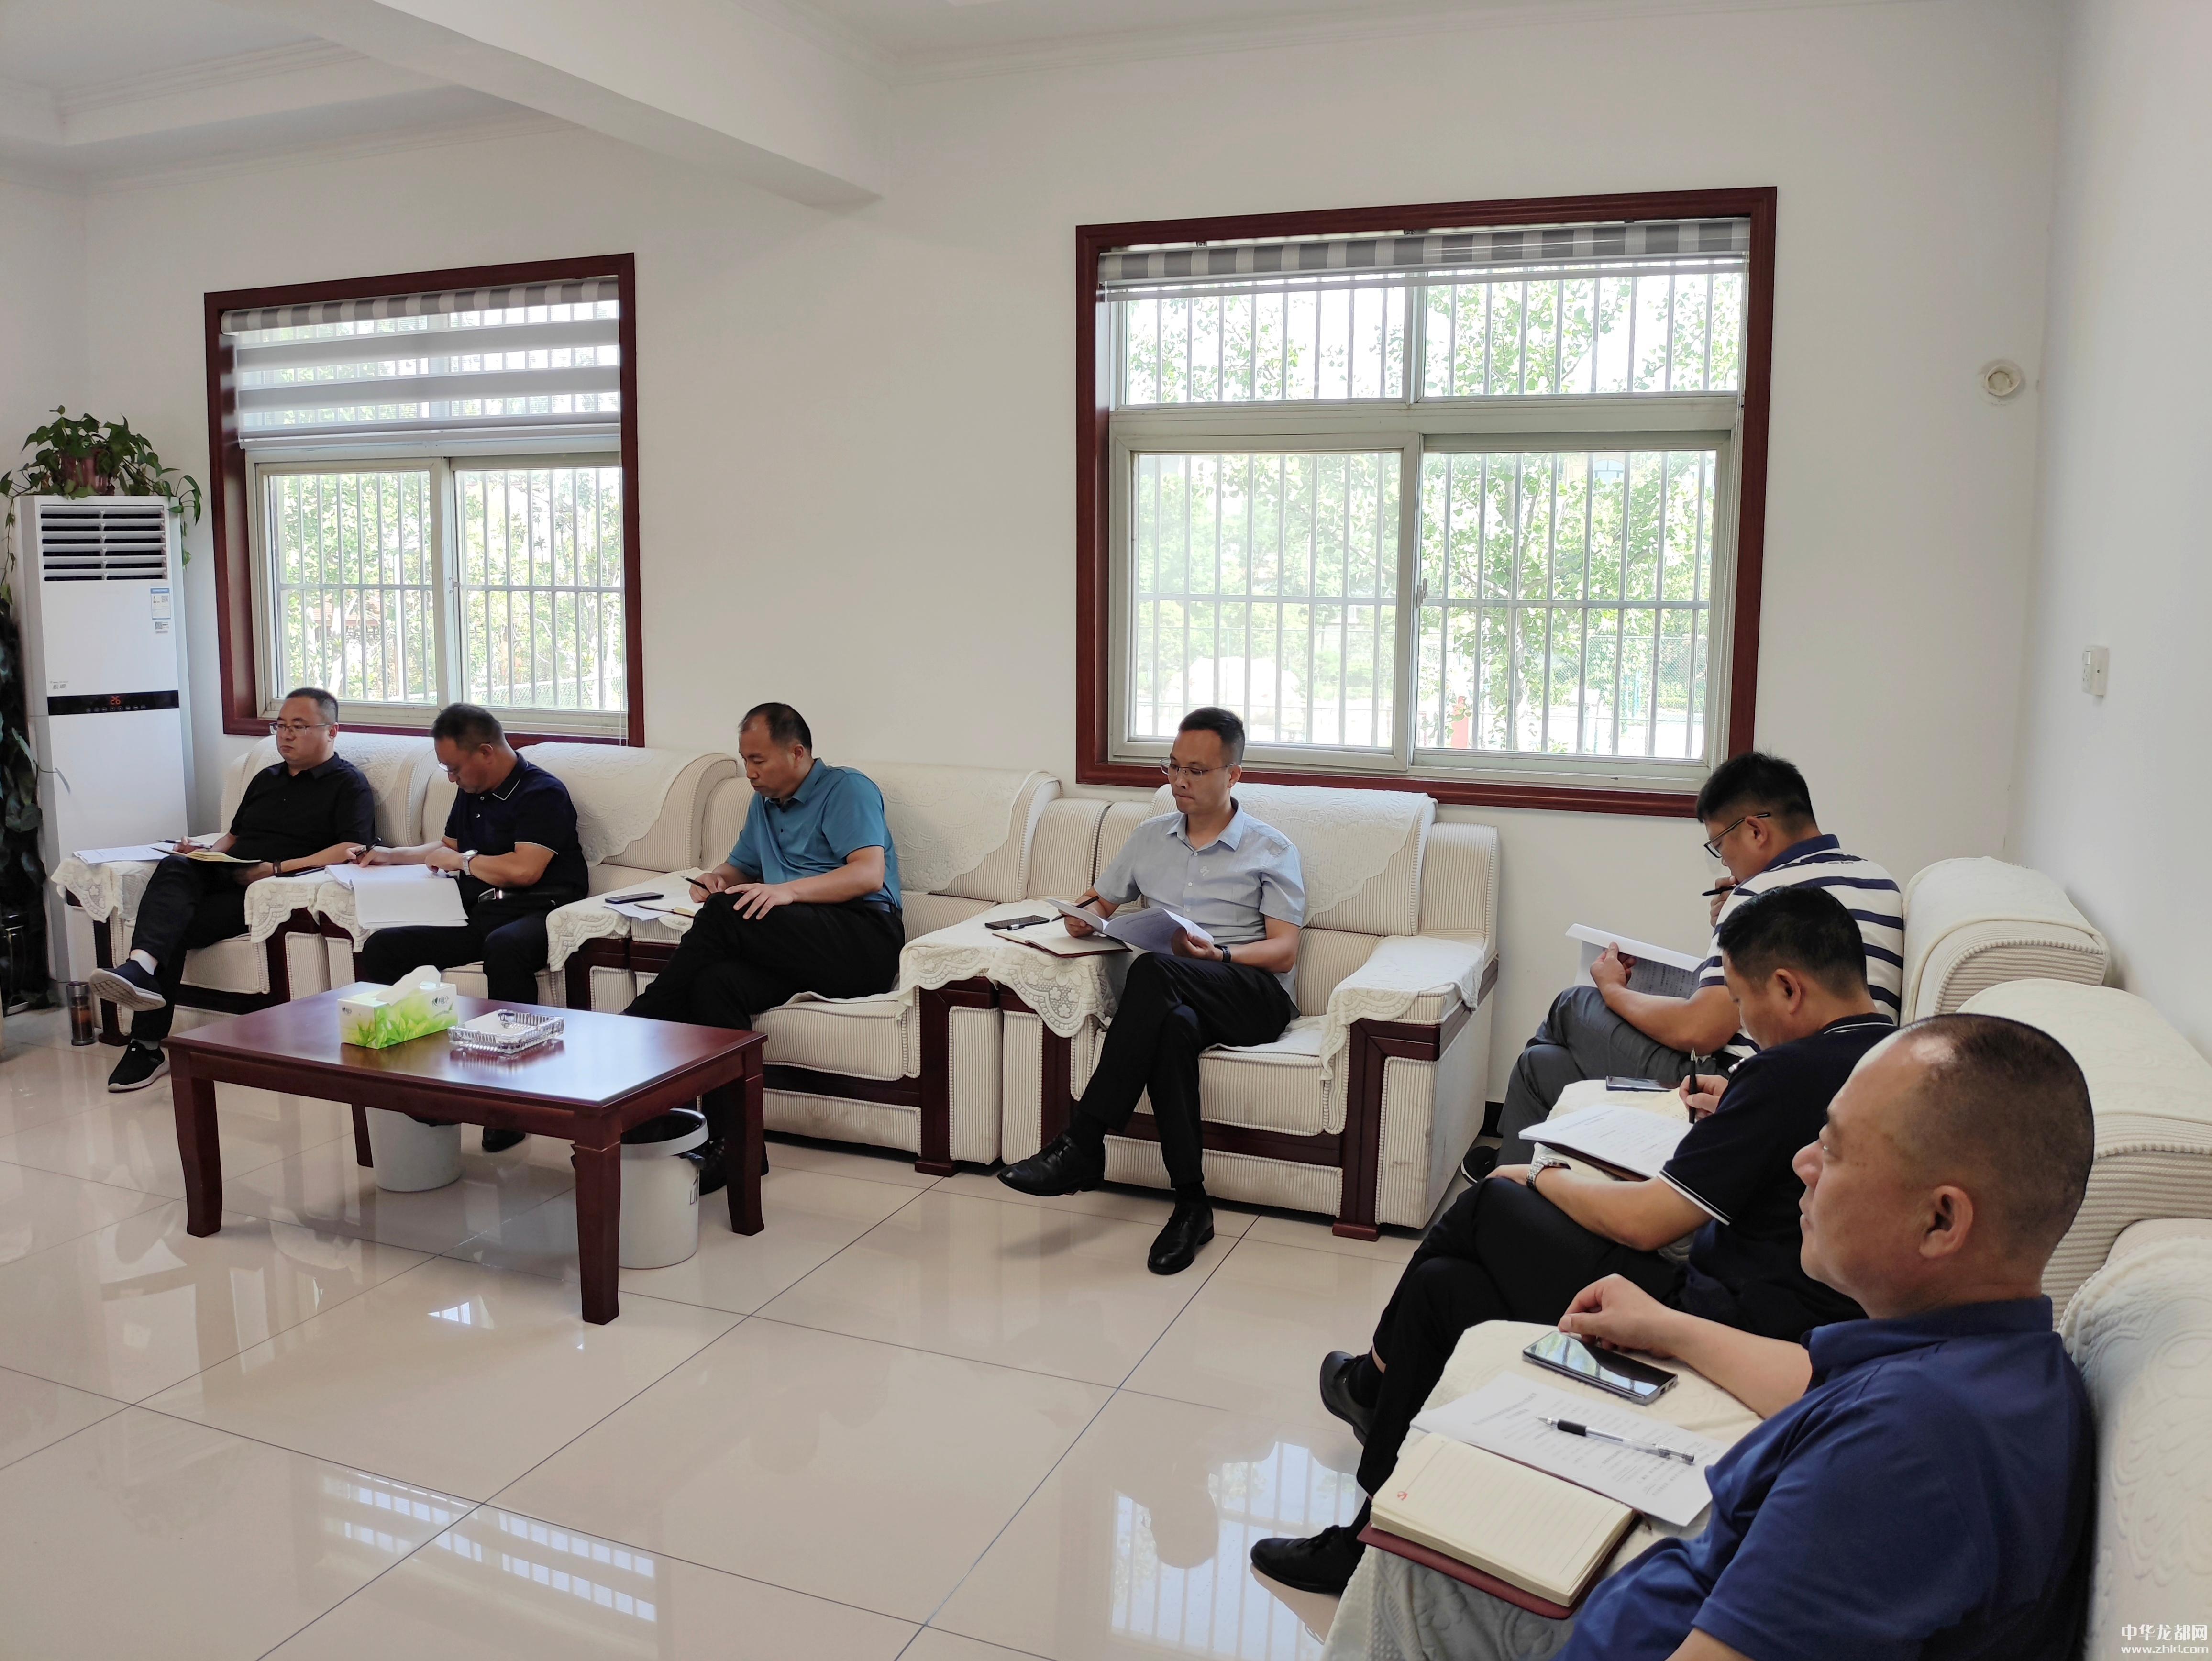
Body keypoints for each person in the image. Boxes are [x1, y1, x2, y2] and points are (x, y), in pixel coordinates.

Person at [1314, 1013, 2096, 1661]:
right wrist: (1665, 1327)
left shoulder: (1904, 1450)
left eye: (1834, 1148)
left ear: (1940, 1219)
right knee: (1452, 1294)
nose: (1802, 1162)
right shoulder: (1993, 1362)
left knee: (1409, 1572)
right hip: (1687, 1586)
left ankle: (1368, 1428)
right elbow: (1811, 1381)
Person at [1252, 886, 1892, 1595]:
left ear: (1789, 988)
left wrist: (1543, 1174)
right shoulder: (1884, 1058)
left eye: (1742, 1002)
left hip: (1710, 1325)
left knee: (1491, 1201)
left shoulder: (1789, 1072)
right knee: (1443, 1289)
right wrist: (1738, 1107)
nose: (1742, 1023)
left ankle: (1371, 1389)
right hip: (1741, 1304)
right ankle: (1369, 1527)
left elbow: (1647, 1221)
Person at [1475, 751, 1901, 1178]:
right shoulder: (1880, 883)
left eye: (1720, 845)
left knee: (1572, 1005)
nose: (1724, 862)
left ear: (1755, 831)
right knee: (1541, 1065)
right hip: (1829, 1080)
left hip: (1736, 1079)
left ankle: (1510, 1179)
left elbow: (1700, 1030)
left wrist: (1613, 988)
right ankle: (1508, 1178)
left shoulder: (1761, 895)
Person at [996, 706, 1305, 1276]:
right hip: (1178, 997)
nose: (1180, 781)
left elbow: (1284, 950)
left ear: (1233, 775)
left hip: (1250, 994)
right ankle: (1192, 1204)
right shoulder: (1147, 838)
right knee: (1173, 1029)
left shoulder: (1270, 848)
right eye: (1173, 767)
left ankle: (1083, 1142)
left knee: (1154, 971)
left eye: (1196, 770)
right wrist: (1082, 917)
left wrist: (1219, 955)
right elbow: (1100, 900)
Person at [623, 702, 906, 1190]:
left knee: (723, 916)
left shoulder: (847, 789)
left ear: (797, 753)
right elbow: (740, 868)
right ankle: (738, 1148)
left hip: (862, 940)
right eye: (745, 761)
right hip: (797, 942)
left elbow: (867, 874)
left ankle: (639, 1024)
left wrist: (788, 891)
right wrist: (716, 878)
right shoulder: (764, 804)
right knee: (716, 984)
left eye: (758, 760)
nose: (750, 773)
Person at [89, 687, 374, 1093]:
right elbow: (234, 836)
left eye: (298, 726)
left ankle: (146, 1043)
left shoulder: (348, 784)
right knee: (176, 865)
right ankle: (141, 967)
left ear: (332, 731)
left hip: (267, 890)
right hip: (226, 871)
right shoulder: (266, 778)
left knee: (171, 926)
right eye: (280, 726)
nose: (285, 735)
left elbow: (352, 848)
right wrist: (203, 851)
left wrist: (274, 869)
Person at [354, 703, 587, 1152]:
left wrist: (463, 862)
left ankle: (510, 1104)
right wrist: (393, 855)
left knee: (504, 948)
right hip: (479, 913)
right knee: (384, 947)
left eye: (455, 768)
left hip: (543, 911)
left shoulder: (542, 792)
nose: (450, 778)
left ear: (486, 752)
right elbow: (446, 847)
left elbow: (525, 870)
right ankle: (416, 1080)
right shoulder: (472, 791)